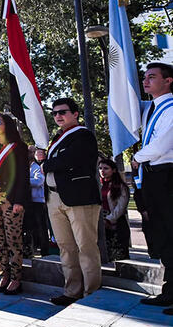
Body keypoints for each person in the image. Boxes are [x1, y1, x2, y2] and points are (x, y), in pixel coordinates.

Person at [42, 97, 102, 306]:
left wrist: (45, 163)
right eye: (55, 113)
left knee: (86, 246)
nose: (58, 116)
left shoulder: (83, 135)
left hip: (79, 198)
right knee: (66, 247)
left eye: (63, 112)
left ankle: (91, 292)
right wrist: (47, 161)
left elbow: (70, 160)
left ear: (75, 114)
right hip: (54, 197)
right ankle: (72, 291)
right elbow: (58, 162)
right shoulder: (58, 138)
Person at [131, 62, 173, 311]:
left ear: (168, 81)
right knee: (164, 237)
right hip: (154, 175)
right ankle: (169, 290)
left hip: (166, 175)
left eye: (152, 77)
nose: (146, 81)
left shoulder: (170, 108)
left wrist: (137, 158)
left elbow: (162, 144)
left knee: (170, 233)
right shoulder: (154, 108)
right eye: (145, 77)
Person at [0, 114, 30, 295]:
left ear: (8, 126)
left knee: (13, 239)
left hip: (10, 199)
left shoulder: (19, 148)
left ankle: (16, 278)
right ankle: (4, 274)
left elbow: (23, 175)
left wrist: (20, 200)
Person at [98, 158, 130, 261]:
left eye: (106, 168)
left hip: (117, 224)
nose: (102, 171)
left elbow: (121, 207)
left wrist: (109, 219)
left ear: (114, 170)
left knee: (119, 256)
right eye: (100, 168)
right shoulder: (99, 185)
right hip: (100, 223)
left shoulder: (121, 186)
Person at [24, 147, 52, 258]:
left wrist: (24, 181)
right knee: (29, 227)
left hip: (37, 202)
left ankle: (45, 251)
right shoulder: (23, 168)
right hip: (28, 202)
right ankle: (31, 249)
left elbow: (39, 181)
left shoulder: (36, 167)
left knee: (41, 227)